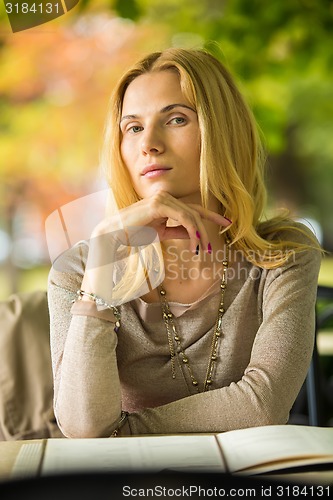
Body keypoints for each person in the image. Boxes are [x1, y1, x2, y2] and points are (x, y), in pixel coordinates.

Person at [48, 48, 322, 438]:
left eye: (176, 119)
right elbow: (83, 425)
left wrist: (120, 432)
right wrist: (100, 276)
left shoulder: (284, 253)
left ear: (222, 130)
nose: (149, 145)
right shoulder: (77, 271)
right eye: (134, 128)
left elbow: (264, 406)